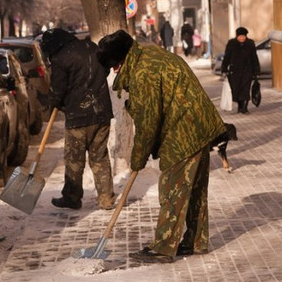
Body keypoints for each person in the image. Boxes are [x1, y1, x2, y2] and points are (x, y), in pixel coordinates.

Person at [97, 30, 226, 263]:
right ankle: (196, 241)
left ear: (122, 59)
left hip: (183, 132)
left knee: (172, 191)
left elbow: (148, 123)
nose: (115, 71)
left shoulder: (143, 73)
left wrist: (137, 159)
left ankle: (164, 247)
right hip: (200, 126)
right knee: (195, 190)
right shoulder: (150, 55)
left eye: (115, 65)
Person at [41, 28, 115, 210]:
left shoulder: (60, 58)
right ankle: (106, 198)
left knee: (75, 159)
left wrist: (54, 103)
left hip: (78, 117)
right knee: (100, 157)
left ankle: (72, 197)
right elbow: (105, 70)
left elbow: (57, 89)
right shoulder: (92, 46)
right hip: (102, 113)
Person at [221, 26, 260, 114]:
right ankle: (240, 107)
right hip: (234, 71)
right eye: (240, 36)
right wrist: (224, 69)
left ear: (246, 36)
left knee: (245, 89)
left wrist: (256, 70)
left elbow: (254, 57)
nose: (242, 38)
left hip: (247, 71)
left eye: (243, 36)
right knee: (236, 90)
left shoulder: (250, 44)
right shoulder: (231, 44)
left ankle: (244, 108)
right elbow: (227, 57)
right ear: (237, 36)